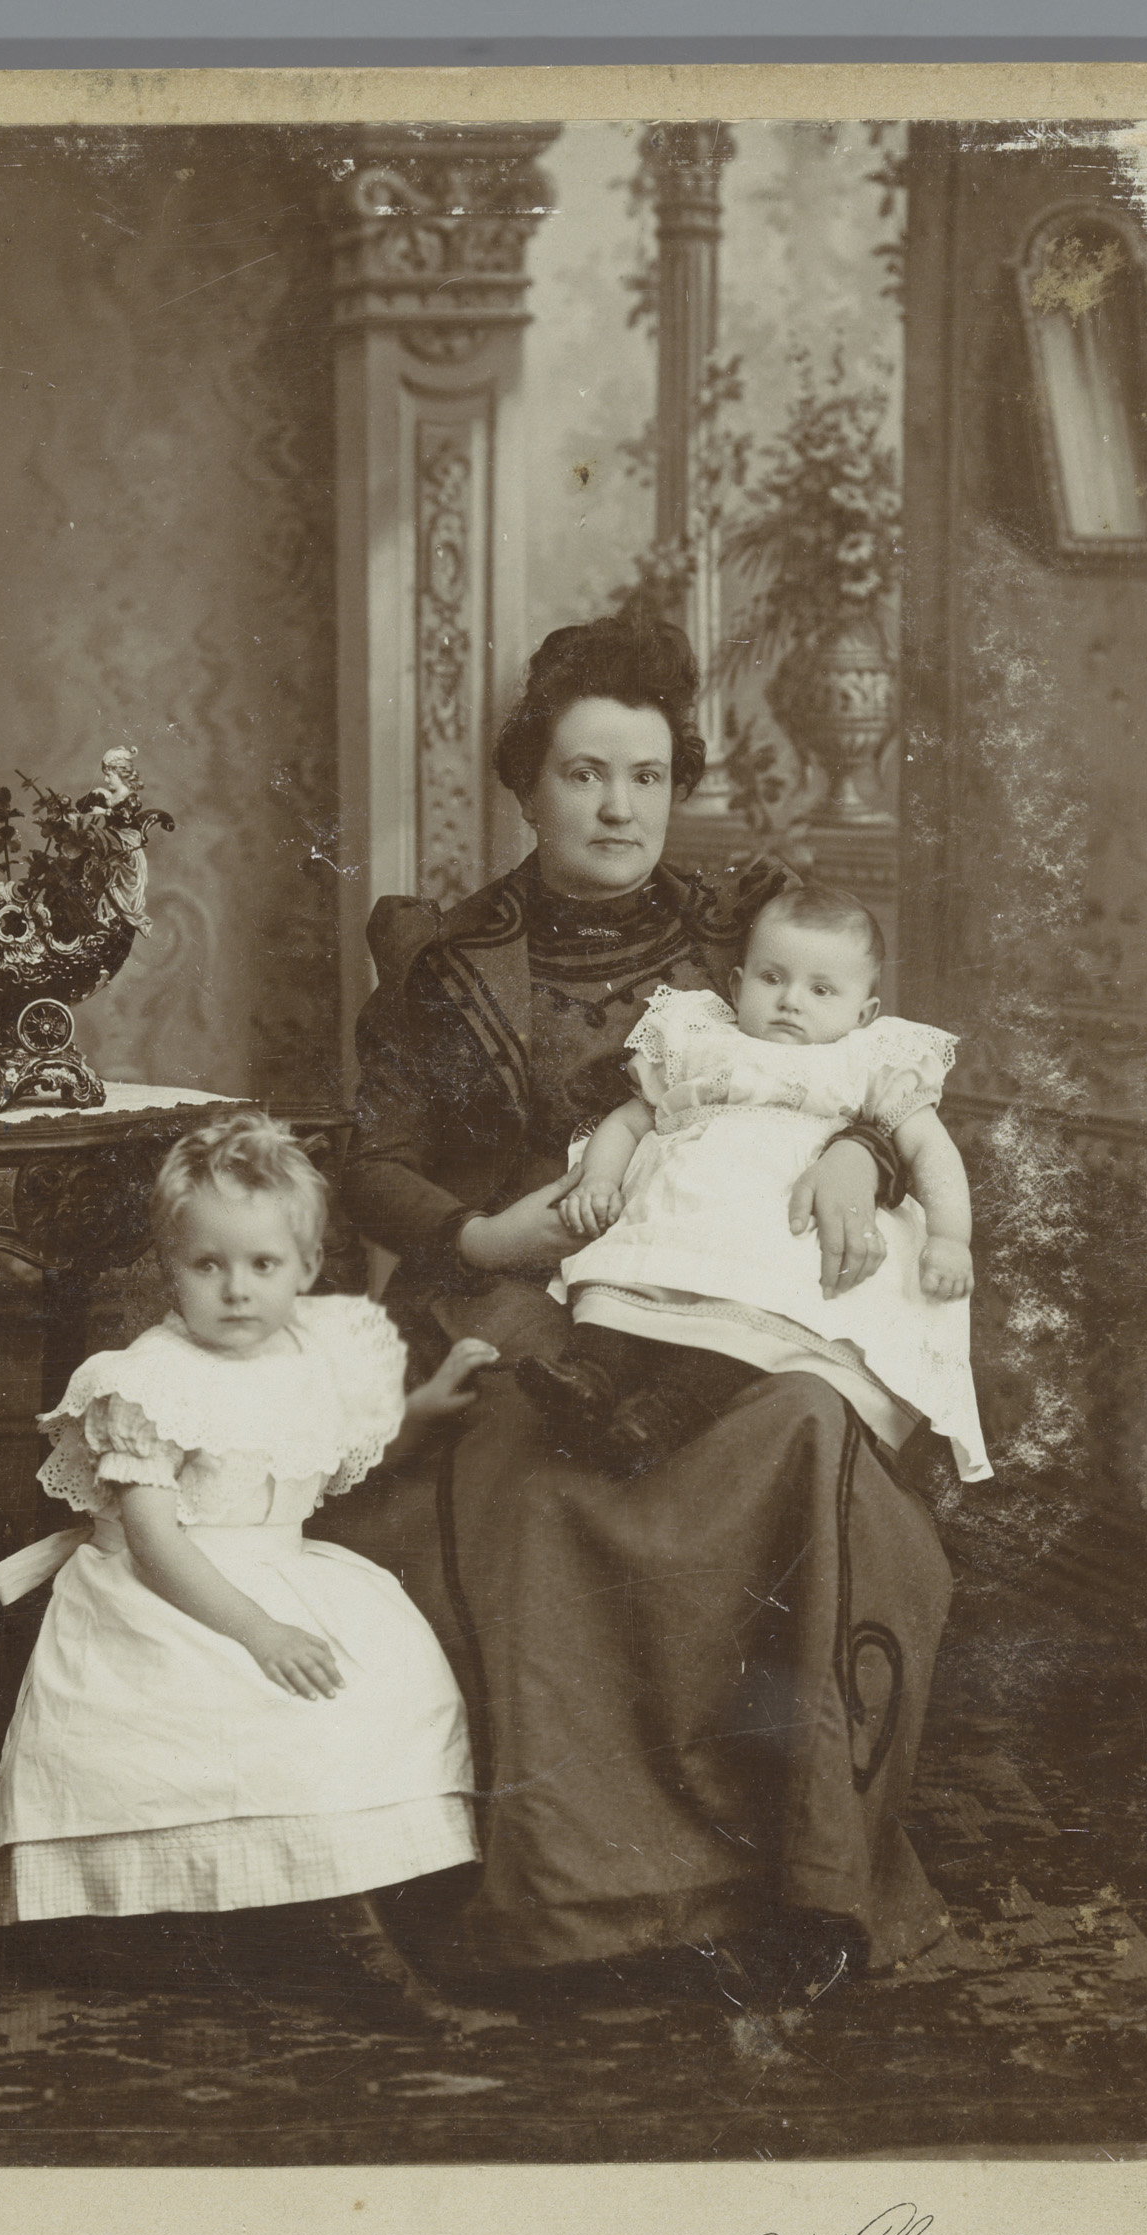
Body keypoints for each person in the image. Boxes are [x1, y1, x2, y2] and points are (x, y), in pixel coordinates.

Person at [324, 613, 956, 1999]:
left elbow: (862, 1067)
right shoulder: (450, 962)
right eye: (585, 773)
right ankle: (589, 1898)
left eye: (648, 775)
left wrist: (857, 1155)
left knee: (809, 1426)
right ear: (526, 783)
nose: (619, 806)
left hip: (740, 1285)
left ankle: (801, 1878)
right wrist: (482, 1231)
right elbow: (370, 1161)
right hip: (524, 1294)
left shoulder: (744, 929)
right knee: (540, 1490)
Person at [0, 1111, 496, 1933]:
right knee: (228, 1710)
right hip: (173, 1587)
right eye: (207, 1265)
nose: (237, 1289)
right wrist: (257, 1631)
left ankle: (346, 1888)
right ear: (170, 1270)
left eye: (263, 1264)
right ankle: (205, 1911)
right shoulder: (150, 1379)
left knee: (383, 1685)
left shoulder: (313, 1356)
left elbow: (337, 1449)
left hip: (289, 1568)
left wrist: (423, 1408)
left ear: (307, 1267)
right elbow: (153, 1539)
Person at [523, 869, 992, 1484]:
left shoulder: (868, 1060)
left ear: (864, 1012)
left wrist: (951, 1238)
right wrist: (599, 1180)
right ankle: (590, 1376)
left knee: (754, 1324)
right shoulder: (699, 1039)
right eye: (773, 979)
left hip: (781, 1239)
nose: (791, 1001)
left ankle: (666, 1413)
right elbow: (629, 1121)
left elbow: (931, 1149)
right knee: (620, 1292)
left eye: (821, 990)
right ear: (739, 985)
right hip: (684, 1215)